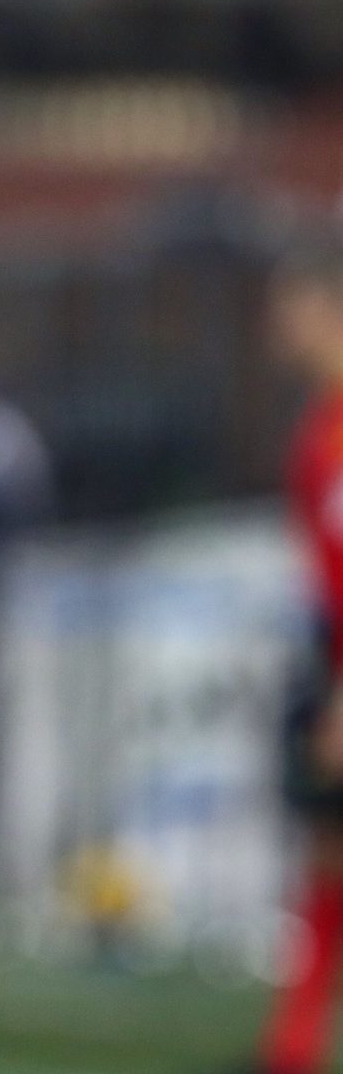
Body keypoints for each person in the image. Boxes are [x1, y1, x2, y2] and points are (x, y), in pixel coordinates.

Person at [256, 232, 343, 1074]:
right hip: (329, 662)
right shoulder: (318, 428)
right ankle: (290, 1049)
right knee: (323, 867)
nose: (282, 328)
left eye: (295, 309)